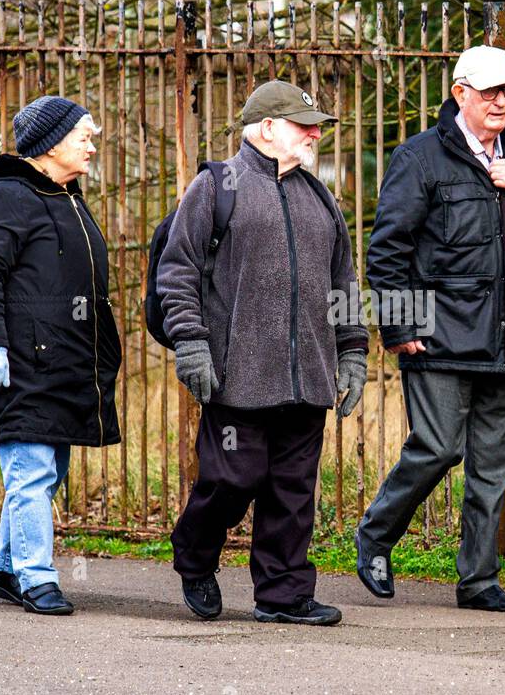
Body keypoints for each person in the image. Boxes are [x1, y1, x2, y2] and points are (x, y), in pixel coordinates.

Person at [356, 45, 505, 612]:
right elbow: (388, 249)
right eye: (490, 92)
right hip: (439, 337)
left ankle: (478, 581)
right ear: (460, 94)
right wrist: (400, 323)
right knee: (436, 448)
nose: (502, 101)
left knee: (496, 464)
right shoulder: (421, 158)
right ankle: (376, 537)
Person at [158, 80, 369, 626]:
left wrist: (352, 353)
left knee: (293, 491)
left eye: (317, 125)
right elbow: (177, 271)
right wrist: (191, 344)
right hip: (238, 375)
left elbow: (342, 280)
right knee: (233, 478)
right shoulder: (216, 185)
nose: (315, 134)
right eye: (305, 125)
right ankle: (195, 556)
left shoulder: (320, 196)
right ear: (268, 128)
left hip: (308, 378)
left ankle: (284, 594)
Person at [0, 95, 121, 616]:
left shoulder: (67, 195)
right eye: (83, 136)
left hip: (67, 361)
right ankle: (37, 577)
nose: (92, 145)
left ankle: (7, 569)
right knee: (29, 470)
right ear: (52, 144)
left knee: (47, 472)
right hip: (22, 360)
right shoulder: (4, 196)